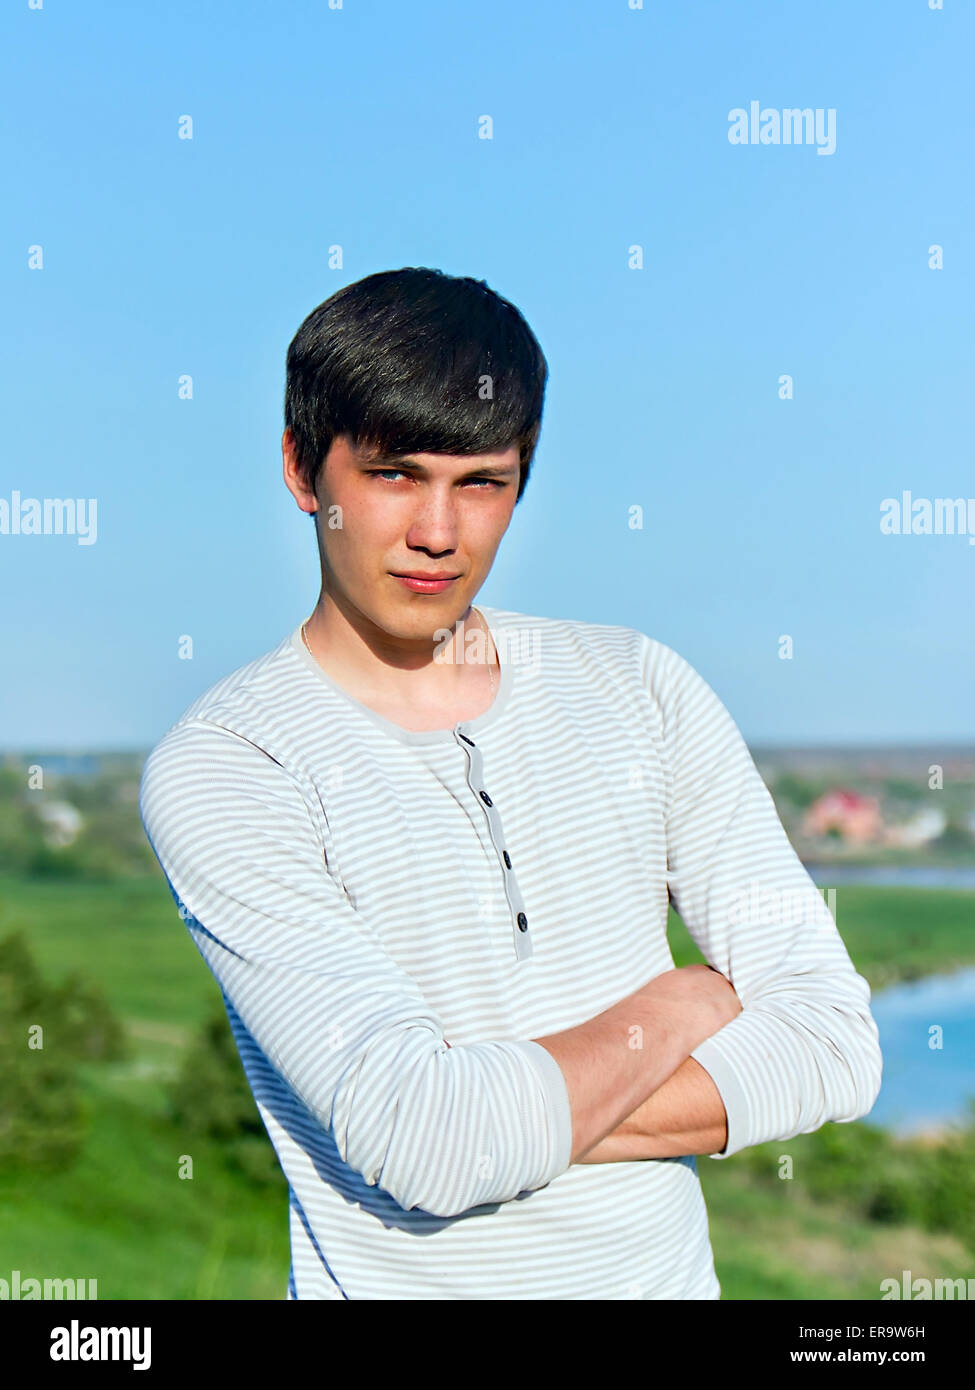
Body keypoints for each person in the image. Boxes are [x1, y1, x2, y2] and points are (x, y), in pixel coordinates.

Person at [138, 266, 883, 1300]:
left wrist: (497, 1116)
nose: (440, 531)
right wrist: (679, 1003)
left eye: (481, 481)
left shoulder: (639, 686)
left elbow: (837, 1043)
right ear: (303, 469)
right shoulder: (231, 762)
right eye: (396, 473)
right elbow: (425, 1143)